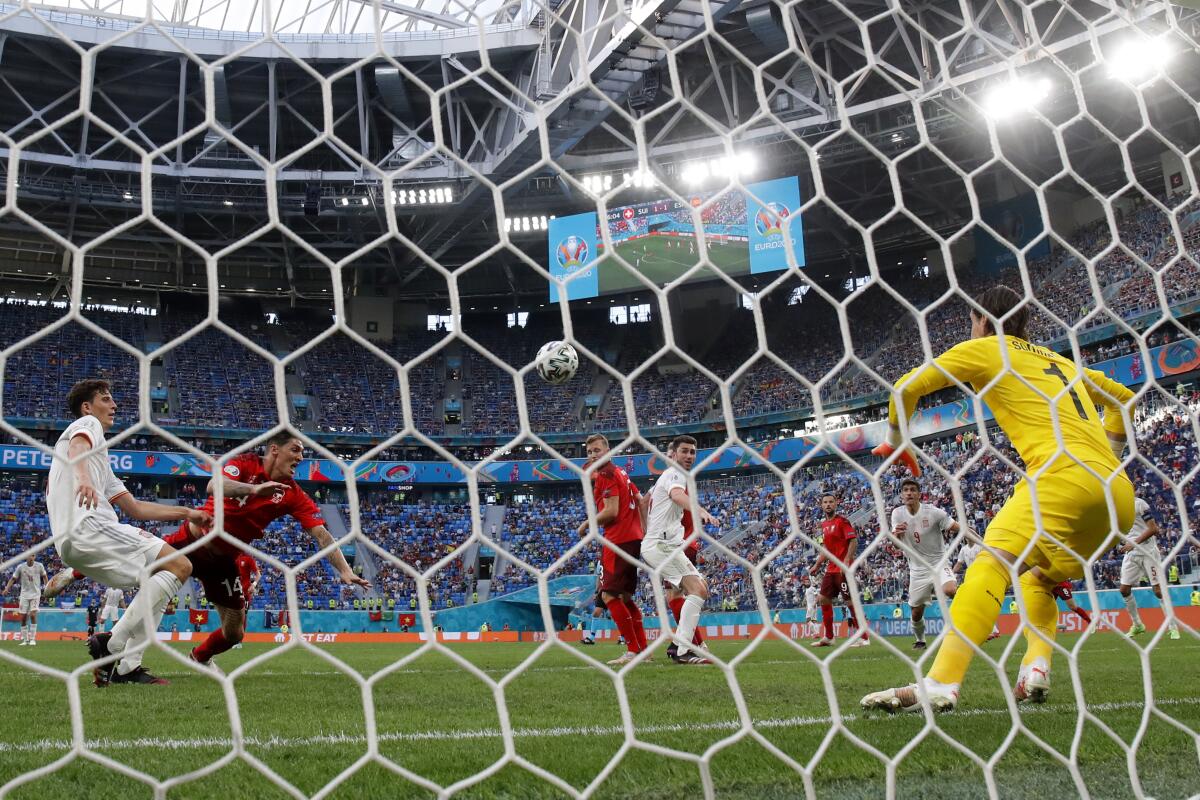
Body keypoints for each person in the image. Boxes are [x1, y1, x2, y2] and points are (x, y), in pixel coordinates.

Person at [862, 286, 1134, 713]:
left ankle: (941, 682)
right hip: (1116, 497)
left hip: (1061, 478)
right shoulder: (1059, 361)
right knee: (1037, 578)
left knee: (991, 564)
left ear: (983, 320)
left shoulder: (989, 348)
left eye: (972, 321)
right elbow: (1124, 399)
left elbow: (905, 388)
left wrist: (898, 441)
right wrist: (1107, 463)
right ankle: (1036, 667)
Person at [47, 378, 209, 686]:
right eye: (106, 399)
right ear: (87, 406)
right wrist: (82, 479)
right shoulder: (87, 425)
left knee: (164, 580)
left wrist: (187, 512)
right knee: (181, 565)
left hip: (71, 543)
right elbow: (78, 446)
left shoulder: (101, 461)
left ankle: (128, 667)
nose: (114, 405)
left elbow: (134, 508)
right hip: (91, 527)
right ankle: (111, 645)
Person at [166, 431, 369, 671]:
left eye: (302, 452)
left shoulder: (292, 493)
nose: (301, 457)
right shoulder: (244, 462)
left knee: (234, 633)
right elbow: (214, 485)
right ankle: (123, 655)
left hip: (222, 562)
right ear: (275, 450)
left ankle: (200, 657)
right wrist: (254, 490)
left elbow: (322, 534)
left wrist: (344, 570)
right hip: (191, 541)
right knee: (149, 583)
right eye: (295, 450)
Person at [644, 435, 718, 664]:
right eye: (684, 451)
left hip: (667, 545)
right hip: (662, 545)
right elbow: (676, 495)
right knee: (695, 589)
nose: (688, 456)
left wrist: (646, 530)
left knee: (701, 588)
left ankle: (680, 645)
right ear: (673, 455)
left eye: (692, 452)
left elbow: (643, 502)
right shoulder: (675, 474)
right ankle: (683, 649)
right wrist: (700, 510)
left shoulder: (665, 478)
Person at [576, 434, 648, 666]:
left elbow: (612, 511)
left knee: (607, 595)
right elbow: (641, 500)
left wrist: (587, 523)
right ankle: (642, 650)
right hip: (633, 539)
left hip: (618, 541)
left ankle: (632, 650)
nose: (593, 454)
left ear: (608, 451)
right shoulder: (622, 473)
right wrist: (643, 531)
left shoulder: (606, 474)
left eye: (597, 450)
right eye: (590, 452)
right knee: (625, 598)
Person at [890, 479, 961, 650]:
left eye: (913, 490)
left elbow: (960, 528)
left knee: (950, 590)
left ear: (919, 494)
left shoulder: (934, 512)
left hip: (939, 562)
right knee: (916, 612)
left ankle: (969, 625)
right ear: (901, 494)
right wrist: (896, 536)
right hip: (917, 569)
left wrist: (981, 542)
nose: (909, 493)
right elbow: (895, 542)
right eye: (905, 490)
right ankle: (920, 639)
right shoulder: (897, 514)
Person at [1117, 497, 1180, 640]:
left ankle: (1173, 627)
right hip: (1131, 554)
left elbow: (1153, 528)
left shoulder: (1139, 504)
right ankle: (1138, 625)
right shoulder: (1117, 507)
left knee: (1158, 591)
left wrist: (1133, 543)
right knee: (1124, 590)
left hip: (1148, 552)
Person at [810, 493, 868, 648]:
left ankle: (864, 637)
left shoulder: (842, 521)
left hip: (843, 569)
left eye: (831, 502)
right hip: (831, 569)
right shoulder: (824, 525)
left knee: (850, 601)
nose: (828, 504)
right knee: (823, 598)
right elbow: (826, 550)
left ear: (836, 504)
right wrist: (817, 565)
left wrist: (847, 560)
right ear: (821, 505)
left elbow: (853, 541)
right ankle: (829, 637)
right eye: (825, 502)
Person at [4, 554, 47, 646]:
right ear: (26, 557)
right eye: (30, 556)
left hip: (35, 594)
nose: (32, 557)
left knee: (32, 615)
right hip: (24, 595)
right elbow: (13, 578)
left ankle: (32, 639)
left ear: (35, 557)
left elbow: (44, 576)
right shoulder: (21, 567)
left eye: (33, 556)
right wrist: (7, 588)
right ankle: (25, 640)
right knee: (23, 618)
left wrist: (47, 588)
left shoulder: (39, 566)